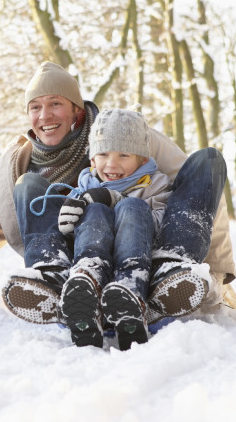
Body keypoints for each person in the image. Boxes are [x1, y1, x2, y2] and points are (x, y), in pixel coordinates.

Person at [0, 61, 236, 325]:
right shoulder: (17, 164)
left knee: (206, 161)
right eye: (35, 107)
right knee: (29, 187)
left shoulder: (123, 135)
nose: (45, 114)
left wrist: (218, 273)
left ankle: (170, 272)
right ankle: (55, 277)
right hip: (77, 266)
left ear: (76, 110)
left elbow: (198, 194)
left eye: (56, 103)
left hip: (143, 250)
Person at [28, 108, 171, 349]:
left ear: (142, 159)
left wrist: (114, 198)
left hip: (135, 263)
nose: (112, 164)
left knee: (133, 206)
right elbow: (74, 235)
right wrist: (69, 222)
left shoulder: (154, 184)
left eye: (124, 155)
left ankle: (129, 293)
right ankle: (86, 287)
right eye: (103, 154)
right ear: (93, 160)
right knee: (93, 211)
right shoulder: (84, 187)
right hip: (94, 259)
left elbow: (159, 225)